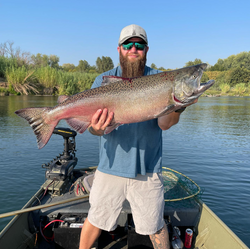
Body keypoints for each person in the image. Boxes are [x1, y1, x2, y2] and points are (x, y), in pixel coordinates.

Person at [79, 24, 196, 249]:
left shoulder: (160, 80)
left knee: (155, 225)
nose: (134, 49)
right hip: (109, 167)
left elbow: (164, 124)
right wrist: (98, 127)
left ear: (146, 50)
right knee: (95, 219)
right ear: (119, 49)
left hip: (148, 169)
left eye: (139, 45)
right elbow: (94, 130)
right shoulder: (102, 80)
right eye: (128, 45)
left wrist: (179, 106)